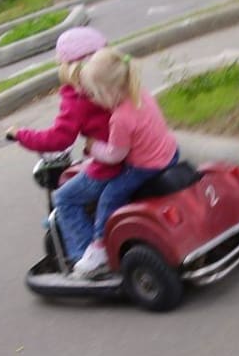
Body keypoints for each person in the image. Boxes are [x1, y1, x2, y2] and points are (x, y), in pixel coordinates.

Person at [5, 27, 122, 267]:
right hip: (133, 156)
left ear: (69, 67)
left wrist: (20, 134)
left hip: (109, 165)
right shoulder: (118, 81)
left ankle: (87, 258)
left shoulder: (78, 96)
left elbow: (59, 139)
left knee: (65, 198)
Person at [71, 47, 180, 276]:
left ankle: (99, 246)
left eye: (94, 94)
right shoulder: (141, 93)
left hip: (146, 167)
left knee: (109, 196)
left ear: (108, 91)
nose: (93, 99)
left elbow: (115, 155)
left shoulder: (120, 118)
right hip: (170, 154)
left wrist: (92, 147)